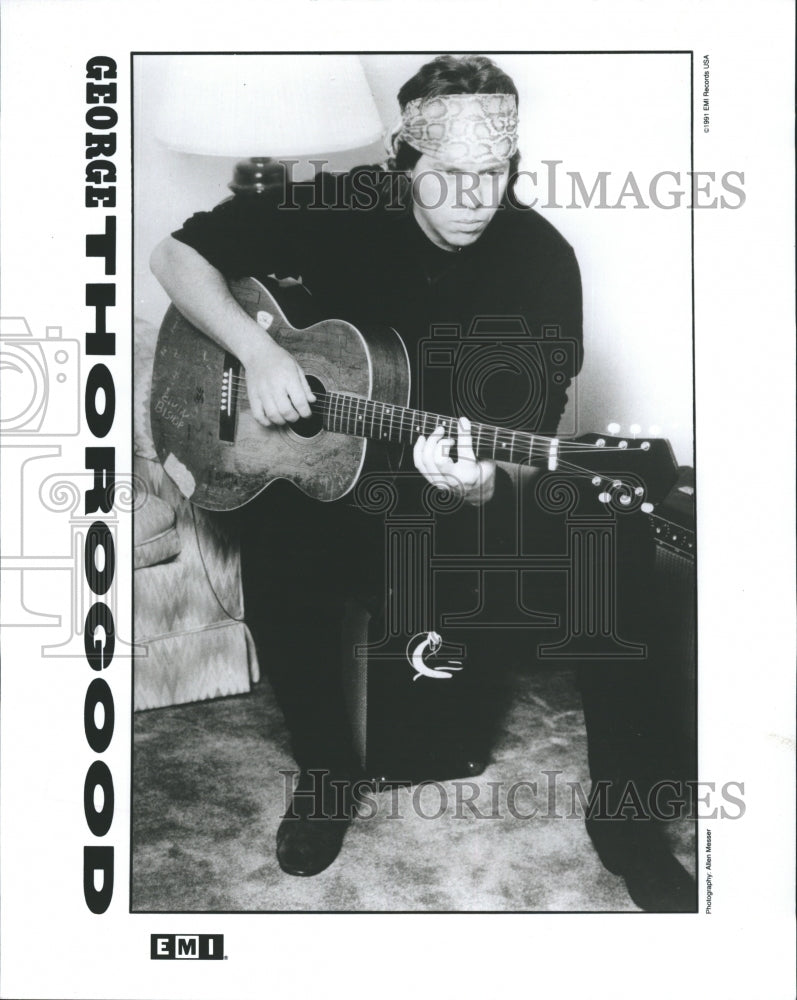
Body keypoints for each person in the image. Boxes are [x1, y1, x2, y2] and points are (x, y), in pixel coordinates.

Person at [150, 54, 695, 910]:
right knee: (279, 536)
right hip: (340, 498)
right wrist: (257, 355)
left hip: (452, 503)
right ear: (404, 163)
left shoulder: (542, 262)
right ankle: (328, 774)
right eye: (450, 177)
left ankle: (624, 823)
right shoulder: (334, 207)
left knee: (611, 540)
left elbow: (528, 435)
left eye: (494, 175)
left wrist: (483, 485)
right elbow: (176, 258)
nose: (476, 198)